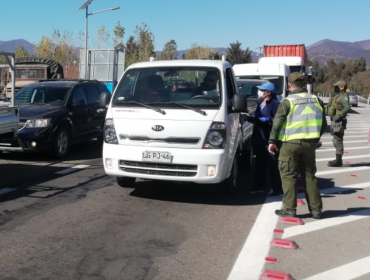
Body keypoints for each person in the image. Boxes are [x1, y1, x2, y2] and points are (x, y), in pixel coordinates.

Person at [268, 72, 327, 219]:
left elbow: (278, 123)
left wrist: (272, 141)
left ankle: (289, 209)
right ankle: (316, 210)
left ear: (289, 85)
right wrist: (315, 139)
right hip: (310, 144)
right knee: (309, 177)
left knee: (288, 176)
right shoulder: (316, 100)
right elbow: (324, 124)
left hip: (290, 144)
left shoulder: (287, 102)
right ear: (304, 84)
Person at [249, 82, 283, 197]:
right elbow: (258, 118)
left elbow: (276, 121)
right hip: (259, 136)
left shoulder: (275, 104)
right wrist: (250, 119)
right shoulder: (260, 102)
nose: (262, 92)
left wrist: (267, 119)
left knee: (273, 163)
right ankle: (258, 187)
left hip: (269, 137)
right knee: (259, 163)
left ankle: (277, 189)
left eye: (264, 90)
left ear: (269, 92)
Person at [326, 80, 350, 167]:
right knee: (336, 140)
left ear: (342, 87)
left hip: (339, 122)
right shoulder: (337, 96)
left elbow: (347, 108)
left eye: (337, 86)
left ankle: (338, 160)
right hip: (335, 121)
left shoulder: (343, 96)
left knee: (338, 140)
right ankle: (338, 159)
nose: (335, 88)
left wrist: (339, 116)